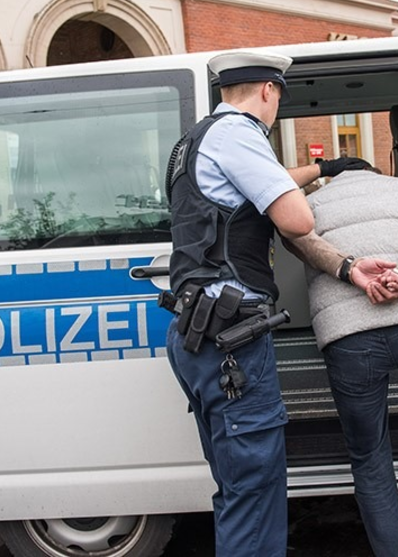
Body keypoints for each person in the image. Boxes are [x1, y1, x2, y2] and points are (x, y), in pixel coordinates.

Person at [164, 50, 383, 557]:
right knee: (256, 491)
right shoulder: (239, 134)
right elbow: (295, 219)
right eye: (279, 96)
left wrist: (325, 167)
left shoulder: (196, 139)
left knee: (237, 488)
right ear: (269, 90)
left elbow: (255, 190)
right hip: (231, 341)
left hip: (198, 331)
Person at [288, 167, 398, 557]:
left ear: (338, 180)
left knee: (369, 459)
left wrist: (346, 268)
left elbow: (297, 238)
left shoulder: (308, 204)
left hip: (350, 342)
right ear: (380, 175)